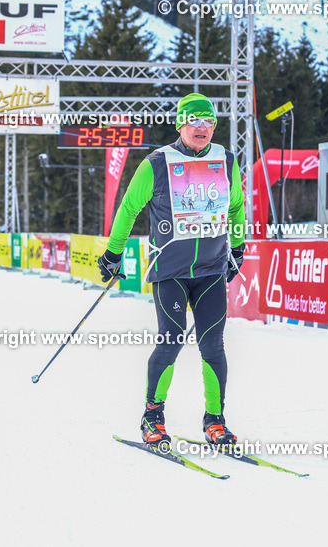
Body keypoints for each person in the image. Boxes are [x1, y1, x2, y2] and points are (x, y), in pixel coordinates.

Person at [97, 93, 245, 447]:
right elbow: (129, 208)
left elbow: (237, 206)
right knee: (172, 337)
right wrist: (114, 253)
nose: (202, 128)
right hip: (170, 272)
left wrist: (237, 247)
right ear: (180, 123)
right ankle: (153, 415)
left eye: (209, 121)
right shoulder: (157, 163)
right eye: (194, 120)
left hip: (210, 270)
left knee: (212, 344)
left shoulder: (226, 159)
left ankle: (215, 420)